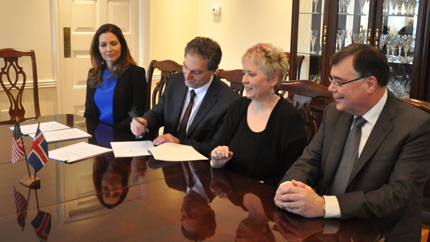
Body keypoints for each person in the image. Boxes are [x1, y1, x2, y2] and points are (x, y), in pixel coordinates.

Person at [274, 44, 430, 241]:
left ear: (370, 84)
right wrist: (289, 188)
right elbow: (309, 161)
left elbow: (397, 195)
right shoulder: (334, 113)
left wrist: (324, 205)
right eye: (332, 80)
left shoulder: (416, 125)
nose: (330, 88)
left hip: (379, 233)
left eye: (339, 82)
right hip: (326, 228)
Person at [210, 43, 307, 186]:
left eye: (251, 74)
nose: (244, 80)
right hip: (230, 195)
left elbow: (294, 175)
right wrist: (216, 160)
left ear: (273, 79)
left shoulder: (289, 118)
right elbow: (218, 148)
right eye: (244, 73)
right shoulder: (237, 107)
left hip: (265, 201)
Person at [130, 37, 239, 156]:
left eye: (196, 72)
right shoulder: (175, 81)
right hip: (166, 159)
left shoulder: (229, 101)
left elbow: (215, 148)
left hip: (199, 167)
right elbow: (158, 114)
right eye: (185, 67)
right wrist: (144, 122)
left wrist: (180, 143)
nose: (187, 77)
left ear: (213, 71)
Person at [84, 23, 147, 134]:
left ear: (121, 45)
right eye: (103, 45)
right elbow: (89, 112)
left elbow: (137, 114)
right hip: (97, 136)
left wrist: (111, 132)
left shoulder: (136, 73)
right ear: (98, 48)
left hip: (123, 136)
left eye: (113, 44)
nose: (109, 49)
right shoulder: (92, 74)